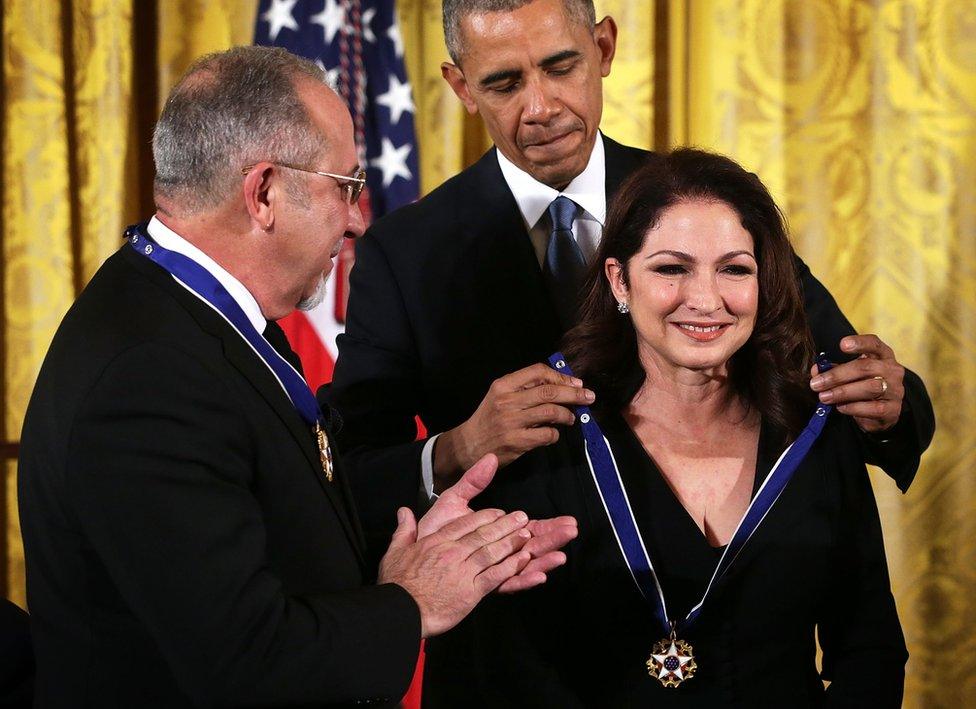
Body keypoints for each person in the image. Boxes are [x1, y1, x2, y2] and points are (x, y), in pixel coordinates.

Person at [16, 46, 576, 708]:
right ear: (264, 193)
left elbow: (284, 529)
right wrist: (413, 600)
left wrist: (438, 547)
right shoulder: (146, 376)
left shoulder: (198, 318)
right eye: (346, 186)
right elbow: (248, 662)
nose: (360, 218)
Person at [325, 0, 935, 565]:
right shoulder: (402, 254)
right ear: (461, 87)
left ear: (604, 48)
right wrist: (460, 446)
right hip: (515, 640)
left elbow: (847, 380)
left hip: (709, 609)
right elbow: (347, 479)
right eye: (505, 83)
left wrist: (885, 402)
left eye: (561, 67)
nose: (541, 107)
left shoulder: (707, 205)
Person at [423, 148, 909, 706]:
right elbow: (497, 672)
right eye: (671, 268)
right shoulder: (543, 438)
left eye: (734, 269)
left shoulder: (818, 432)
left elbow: (870, 648)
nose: (705, 300)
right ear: (620, 281)